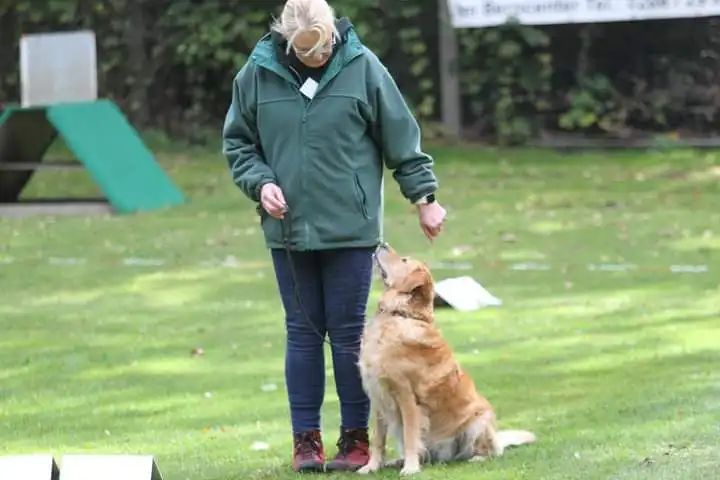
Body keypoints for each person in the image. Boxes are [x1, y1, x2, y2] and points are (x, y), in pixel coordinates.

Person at [221, 0, 447, 473]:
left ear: (333, 34)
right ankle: (306, 443)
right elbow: (239, 142)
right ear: (287, 42)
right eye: (305, 51)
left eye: (322, 47)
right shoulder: (257, 74)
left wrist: (424, 197)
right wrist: (261, 183)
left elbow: (399, 135)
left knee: (348, 337)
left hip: (351, 228)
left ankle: (356, 441)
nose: (316, 57)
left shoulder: (364, 67)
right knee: (302, 334)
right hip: (288, 230)